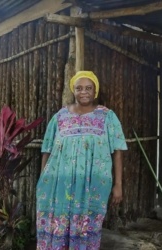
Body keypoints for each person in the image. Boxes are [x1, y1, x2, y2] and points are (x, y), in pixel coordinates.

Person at [36, 71, 128, 249]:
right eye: (79, 88)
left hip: (92, 183)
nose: (83, 92)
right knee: (58, 224)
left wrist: (118, 184)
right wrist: (43, 179)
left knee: (87, 224)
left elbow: (118, 151)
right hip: (58, 184)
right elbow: (47, 149)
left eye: (88, 88)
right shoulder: (60, 117)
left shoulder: (107, 116)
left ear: (95, 91)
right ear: (73, 90)